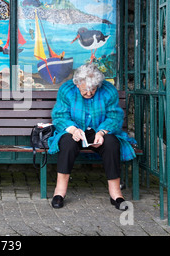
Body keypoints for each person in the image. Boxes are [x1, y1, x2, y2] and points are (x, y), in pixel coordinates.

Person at [47, 63, 136, 210]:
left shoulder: (108, 90)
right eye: (84, 91)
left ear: (98, 85)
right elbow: (59, 115)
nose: (89, 93)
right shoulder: (67, 89)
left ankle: (116, 194)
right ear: (77, 84)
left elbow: (115, 116)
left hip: (100, 130)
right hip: (74, 131)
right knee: (67, 144)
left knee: (112, 144)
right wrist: (73, 130)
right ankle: (59, 192)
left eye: (92, 90)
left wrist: (101, 132)